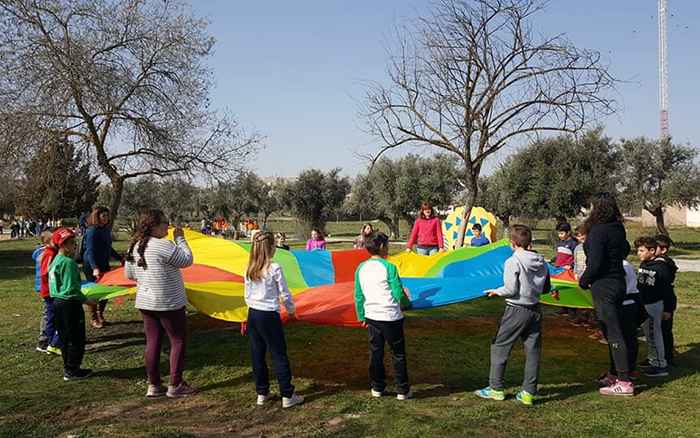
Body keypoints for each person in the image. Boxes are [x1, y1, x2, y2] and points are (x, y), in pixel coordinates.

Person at [125, 209, 197, 398]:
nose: (168, 225)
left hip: (146, 302)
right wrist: (180, 239)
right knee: (178, 340)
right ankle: (175, 384)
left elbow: (129, 274)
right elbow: (187, 260)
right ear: (155, 225)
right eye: (165, 222)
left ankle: (154, 385)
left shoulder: (134, 246)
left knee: (153, 342)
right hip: (169, 302)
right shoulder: (163, 246)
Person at [476, 225, 551, 406]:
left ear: (512, 243)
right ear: (529, 242)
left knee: (499, 346)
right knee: (533, 351)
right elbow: (546, 288)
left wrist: (496, 291)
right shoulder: (542, 261)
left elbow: (510, 289)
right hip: (535, 309)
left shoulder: (513, 261)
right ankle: (528, 393)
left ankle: (496, 388)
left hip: (516, 310)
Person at [578, 192, 634, 396]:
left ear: (597, 208)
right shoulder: (617, 227)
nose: (589, 209)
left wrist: (583, 281)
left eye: (591, 206)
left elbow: (595, 262)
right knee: (612, 330)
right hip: (618, 282)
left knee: (613, 332)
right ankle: (614, 374)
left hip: (604, 285)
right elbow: (624, 249)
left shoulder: (598, 230)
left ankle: (625, 381)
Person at [244, 231, 304, 408]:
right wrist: (292, 312)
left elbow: (247, 295)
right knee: (279, 354)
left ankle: (262, 393)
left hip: (253, 314)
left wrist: (252, 311)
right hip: (269, 315)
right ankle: (287, 394)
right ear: (270, 248)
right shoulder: (274, 268)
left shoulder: (249, 268)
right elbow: (285, 294)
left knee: (257, 355)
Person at [355, 231, 413, 400]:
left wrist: (361, 316)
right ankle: (402, 390)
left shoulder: (361, 268)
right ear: (382, 247)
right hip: (390, 317)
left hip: (372, 316)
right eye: (387, 244)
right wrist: (407, 304)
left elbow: (358, 295)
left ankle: (377, 387)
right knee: (398, 353)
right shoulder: (389, 267)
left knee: (376, 353)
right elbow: (397, 291)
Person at [49, 228, 98, 381]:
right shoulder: (69, 263)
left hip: (56, 303)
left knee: (65, 336)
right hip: (69, 304)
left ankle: (68, 366)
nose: (76, 245)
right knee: (76, 338)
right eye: (72, 243)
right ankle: (73, 369)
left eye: (75, 242)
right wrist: (88, 301)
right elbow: (71, 290)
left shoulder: (55, 261)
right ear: (62, 245)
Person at [597, 255, 641, 387]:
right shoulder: (624, 265)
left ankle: (621, 375)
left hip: (623, 306)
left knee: (618, 340)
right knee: (627, 340)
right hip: (629, 305)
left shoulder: (620, 267)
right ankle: (623, 372)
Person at [635, 236, 673, 378]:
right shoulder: (644, 265)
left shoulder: (661, 268)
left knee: (653, 334)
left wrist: (668, 309)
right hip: (644, 304)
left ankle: (660, 365)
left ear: (652, 251)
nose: (638, 253)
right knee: (649, 335)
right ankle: (653, 359)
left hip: (654, 305)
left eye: (641, 250)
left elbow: (667, 290)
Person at [83, 207, 123, 328]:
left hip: (104, 263)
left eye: (107, 215)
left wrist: (120, 258)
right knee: (94, 292)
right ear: (97, 217)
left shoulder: (104, 230)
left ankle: (101, 314)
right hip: (91, 265)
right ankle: (93, 317)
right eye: (103, 216)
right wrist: (95, 268)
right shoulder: (92, 231)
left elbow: (108, 248)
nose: (107, 218)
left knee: (105, 290)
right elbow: (90, 251)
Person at [36, 229, 62, 355]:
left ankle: (53, 341)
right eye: (54, 239)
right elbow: (46, 273)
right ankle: (48, 342)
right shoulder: (49, 254)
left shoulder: (55, 252)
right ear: (47, 241)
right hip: (49, 292)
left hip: (54, 291)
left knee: (54, 316)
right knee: (50, 316)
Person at [654, 234, 678, 366]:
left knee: (664, 331)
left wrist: (668, 309)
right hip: (656, 302)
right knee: (656, 331)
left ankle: (667, 357)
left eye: (654, 247)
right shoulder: (653, 264)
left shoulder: (664, 266)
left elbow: (666, 288)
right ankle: (656, 355)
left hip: (664, 303)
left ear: (663, 250)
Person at [553, 222, 577, 320]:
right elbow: (560, 256)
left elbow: (576, 257)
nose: (560, 236)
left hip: (568, 271)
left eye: (562, 233)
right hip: (559, 270)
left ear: (568, 232)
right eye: (558, 234)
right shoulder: (560, 244)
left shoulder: (573, 244)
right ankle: (564, 308)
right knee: (560, 289)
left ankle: (573, 312)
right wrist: (552, 260)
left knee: (570, 291)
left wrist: (570, 266)